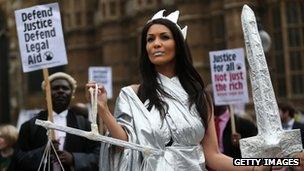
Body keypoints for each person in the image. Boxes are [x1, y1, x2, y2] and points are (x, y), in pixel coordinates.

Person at [86, 10, 288, 170]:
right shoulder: (133, 94)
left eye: (164, 37)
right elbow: (125, 146)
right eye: (150, 39)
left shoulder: (200, 97)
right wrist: (103, 109)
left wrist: (254, 166)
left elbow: (213, 157)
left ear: (178, 45)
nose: (156, 43)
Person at [12, 72, 100, 171]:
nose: (60, 91)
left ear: (72, 94)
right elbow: (18, 159)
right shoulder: (30, 126)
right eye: (55, 88)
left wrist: (74, 158)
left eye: (65, 88)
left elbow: (98, 157)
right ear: (46, 93)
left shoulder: (84, 125)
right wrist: (43, 152)